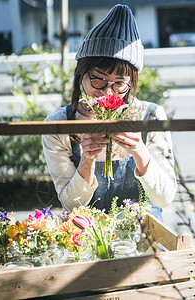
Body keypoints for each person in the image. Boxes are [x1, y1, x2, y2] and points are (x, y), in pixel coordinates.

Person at [42, 4, 177, 221]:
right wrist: (86, 160)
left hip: (143, 237)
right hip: (87, 236)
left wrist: (140, 151)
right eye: (99, 79)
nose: (107, 91)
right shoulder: (59, 125)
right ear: (81, 75)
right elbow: (69, 203)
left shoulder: (150, 116)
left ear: (131, 83)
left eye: (119, 83)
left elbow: (165, 198)